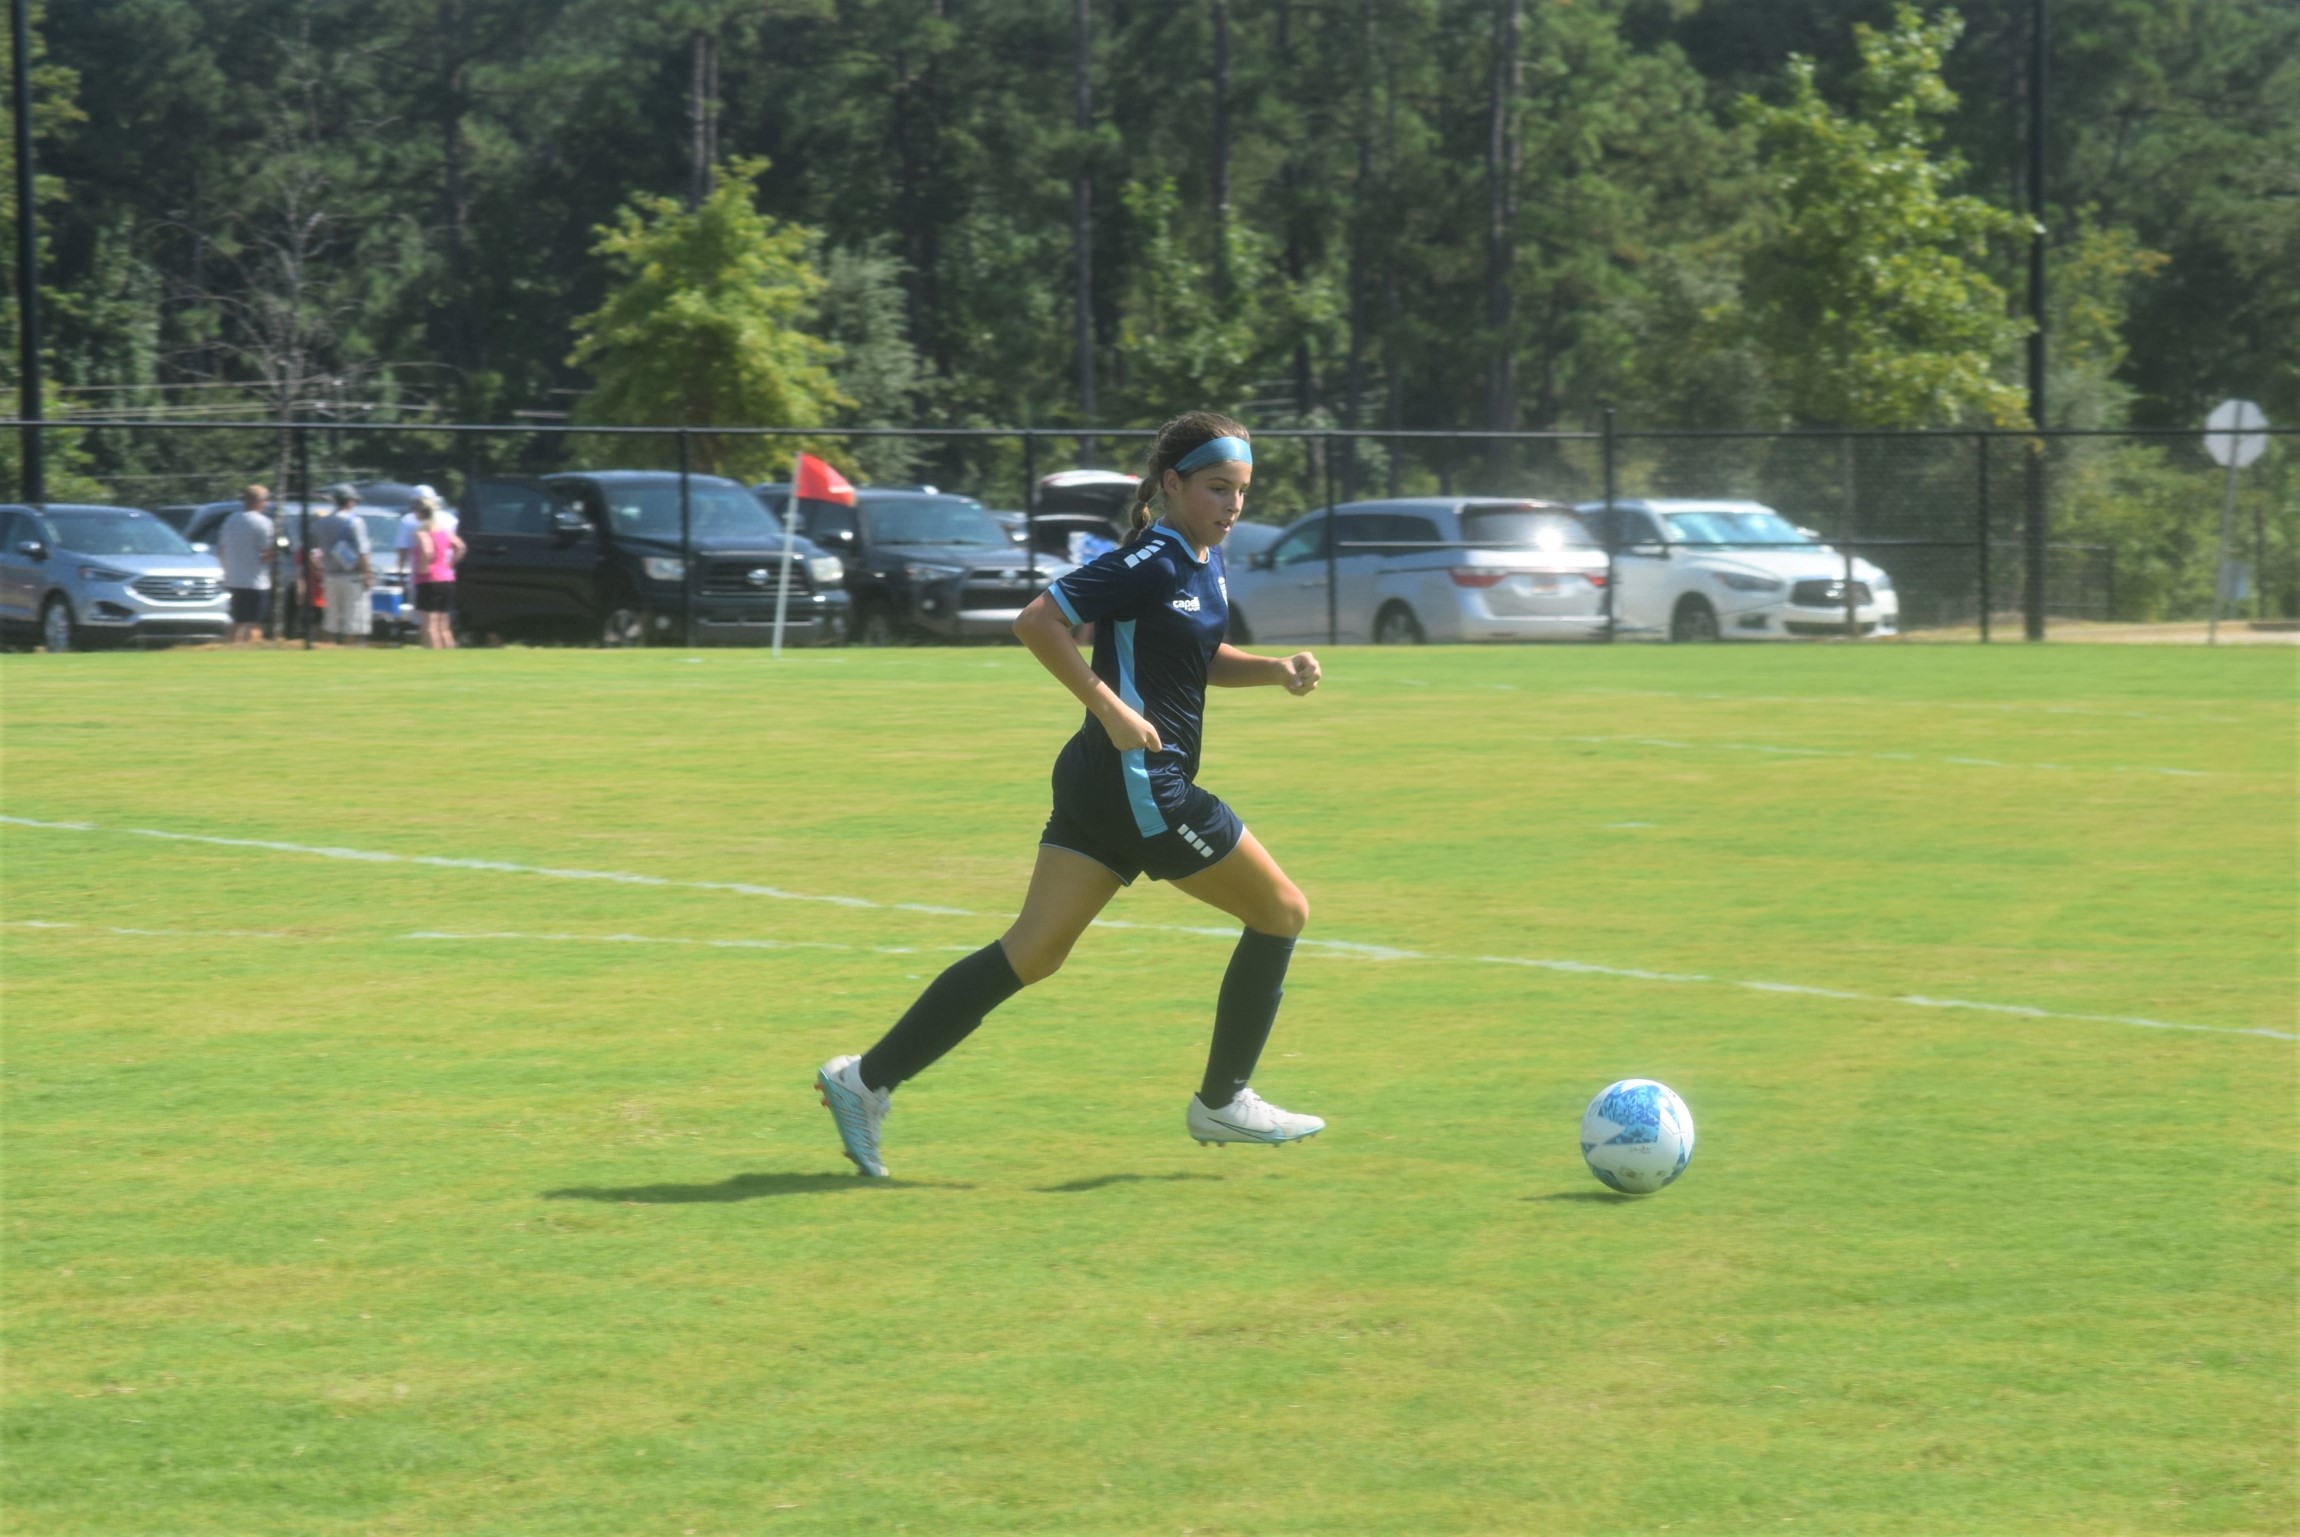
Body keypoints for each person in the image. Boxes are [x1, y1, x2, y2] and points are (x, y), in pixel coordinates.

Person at [817, 412, 1325, 1178]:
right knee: (1282, 910)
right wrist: (1112, 708)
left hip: (1103, 782)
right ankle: (1224, 1099)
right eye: (1219, 488)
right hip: (1139, 785)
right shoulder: (1151, 557)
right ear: (1173, 483)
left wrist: (1274, 669)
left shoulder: (1200, 558)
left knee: (1033, 951)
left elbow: (1194, 654)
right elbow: (1040, 619)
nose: (1233, 505)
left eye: (1244, 491)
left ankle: (863, 1079)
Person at [308, 485, 374, 646]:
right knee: (353, 621)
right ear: (350, 502)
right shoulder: (355, 522)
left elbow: (309, 550)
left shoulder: (321, 523)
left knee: (331, 619)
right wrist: (367, 574)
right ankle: (348, 651)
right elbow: (362, 552)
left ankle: (329, 650)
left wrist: (319, 568)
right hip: (352, 577)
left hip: (330, 576)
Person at [215, 485, 276, 645]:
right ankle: (252, 652)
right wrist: (277, 551)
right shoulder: (263, 522)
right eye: (265, 500)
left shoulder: (230, 520)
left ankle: (231, 649)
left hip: (234, 579)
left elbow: (221, 550)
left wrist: (226, 571)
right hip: (256, 581)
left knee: (236, 621)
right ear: (259, 502)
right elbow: (266, 555)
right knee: (255, 622)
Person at [409, 488, 465, 648]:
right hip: (446, 579)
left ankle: (432, 658)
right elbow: (460, 547)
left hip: (428, 580)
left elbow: (427, 550)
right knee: (444, 627)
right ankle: (449, 658)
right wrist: (450, 564)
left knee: (429, 627)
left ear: (420, 513)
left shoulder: (421, 532)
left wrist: (423, 567)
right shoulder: (444, 531)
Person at [395, 485, 456, 585]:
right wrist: (449, 566)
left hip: (421, 576)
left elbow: (402, 550)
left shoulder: (408, 520)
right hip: (446, 575)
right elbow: (458, 546)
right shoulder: (450, 519)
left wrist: (400, 576)